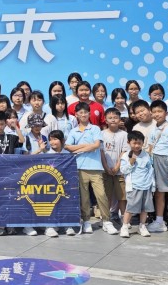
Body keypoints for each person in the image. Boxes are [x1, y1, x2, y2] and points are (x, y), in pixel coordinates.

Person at [66, 102, 115, 235]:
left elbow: (96, 145)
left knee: (101, 195)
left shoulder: (95, 129)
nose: (83, 115)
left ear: (89, 113)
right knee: (84, 197)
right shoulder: (73, 131)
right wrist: (86, 146)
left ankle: (106, 221)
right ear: (76, 115)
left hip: (95, 168)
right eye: (80, 113)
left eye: (85, 112)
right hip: (80, 167)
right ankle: (86, 221)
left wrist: (79, 149)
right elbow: (68, 147)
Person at [145, 100, 168, 238]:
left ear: (166, 113)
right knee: (159, 193)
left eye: (159, 111)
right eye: (154, 112)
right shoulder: (154, 129)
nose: (156, 114)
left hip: (167, 161)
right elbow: (150, 148)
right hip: (155, 161)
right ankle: (159, 221)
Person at [119, 130, 154, 238]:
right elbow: (123, 170)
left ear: (143, 143)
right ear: (129, 142)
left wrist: (152, 185)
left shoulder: (147, 155)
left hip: (146, 186)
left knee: (145, 208)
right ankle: (125, 226)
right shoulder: (126, 155)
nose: (137, 145)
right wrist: (131, 162)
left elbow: (150, 170)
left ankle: (142, 226)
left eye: (139, 143)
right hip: (134, 186)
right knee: (130, 208)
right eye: (134, 143)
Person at [101, 107, 128, 224]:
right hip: (105, 170)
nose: (113, 120)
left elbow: (124, 151)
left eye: (116, 117)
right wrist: (106, 167)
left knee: (122, 196)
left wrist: (117, 166)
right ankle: (105, 218)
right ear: (105, 120)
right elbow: (101, 152)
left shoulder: (124, 134)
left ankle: (124, 219)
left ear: (120, 119)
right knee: (106, 195)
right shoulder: (101, 134)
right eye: (110, 118)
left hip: (120, 170)